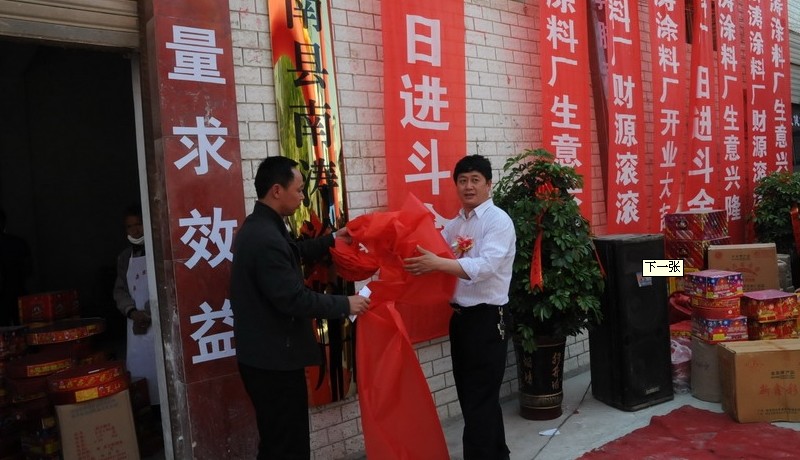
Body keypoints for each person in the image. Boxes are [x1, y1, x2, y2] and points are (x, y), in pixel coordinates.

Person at [230, 156, 370, 460]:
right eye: (299, 189)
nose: (303, 197)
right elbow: (293, 299)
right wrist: (346, 303)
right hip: (274, 362)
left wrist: (332, 239)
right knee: (286, 444)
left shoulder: (261, 227)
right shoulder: (264, 238)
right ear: (277, 190)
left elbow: (292, 252)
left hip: (265, 357)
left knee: (277, 439)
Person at [404, 154, 515, 460]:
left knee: (480, 399)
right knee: (472, 397)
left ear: (489, 184)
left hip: (488, 320)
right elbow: (433, 251)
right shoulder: (455, 225)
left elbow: (486, 267)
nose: (468, 186)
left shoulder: (498, 221)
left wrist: (438, 263)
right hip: (461, 320)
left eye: (475, 180)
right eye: (462, 180)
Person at [113, 204, 159, 405]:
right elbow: (119, 290)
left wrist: (149, 311)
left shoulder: (158, 251)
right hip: (136, 327)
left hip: (157, 323)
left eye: (138, 224)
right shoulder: (125, 258)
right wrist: (132, 312)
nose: (135, 230)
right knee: (141, 378)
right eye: (130, 226)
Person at [0, 208, 33, 326]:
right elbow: (28, 269)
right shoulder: (18, 243)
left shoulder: (17, 243)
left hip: (14, 294)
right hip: (18, 293)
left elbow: (28, 268)